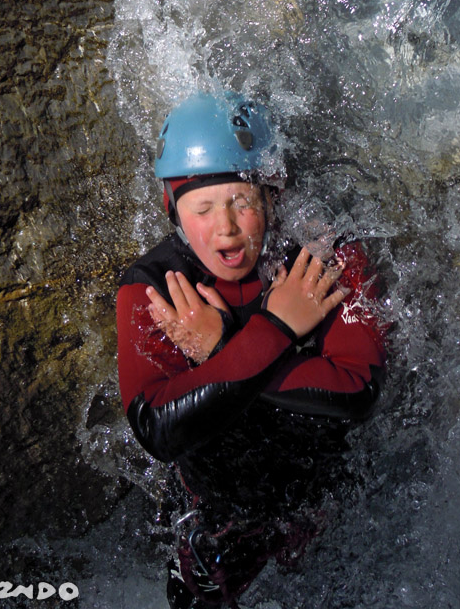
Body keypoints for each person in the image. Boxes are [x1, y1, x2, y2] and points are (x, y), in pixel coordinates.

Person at [116, 91, 388, 608]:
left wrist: (222, 348)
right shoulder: (151, 287)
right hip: (217, 509)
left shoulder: (330, 257)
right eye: (203, 208)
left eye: (243, 202)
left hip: (320, 494)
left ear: (273, 196)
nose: (226, 227)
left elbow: (358, 391)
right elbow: (157, 425)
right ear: (173, 210)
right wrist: (278, 327)